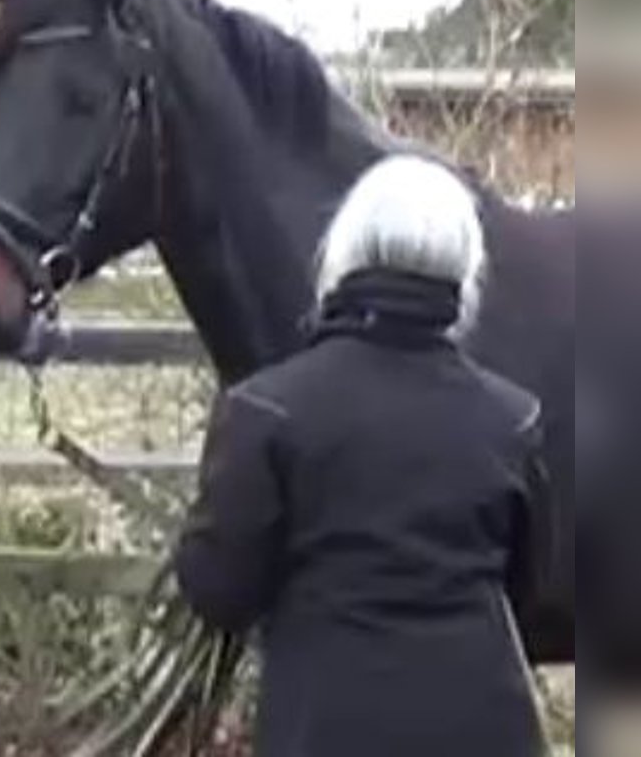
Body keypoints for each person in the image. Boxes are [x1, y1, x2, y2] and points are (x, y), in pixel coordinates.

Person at [174, 154, 553, 757]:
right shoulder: (511, 419)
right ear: (465, 266)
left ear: (343, 254)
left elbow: (219, 589)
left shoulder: (267, 410)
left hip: (324, 727)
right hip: (485, 730)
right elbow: (529, 588)